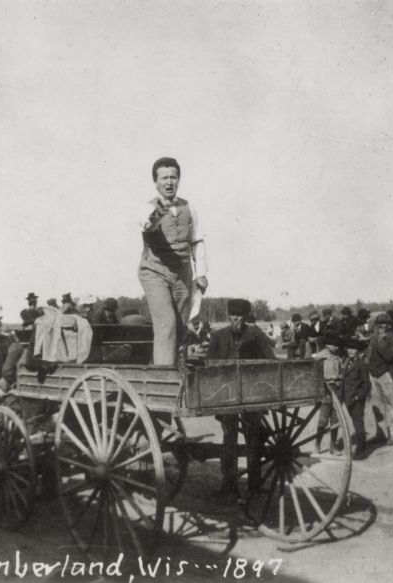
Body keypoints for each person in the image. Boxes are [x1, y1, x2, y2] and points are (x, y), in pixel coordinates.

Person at [138, 157, 208, 365]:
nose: (169, 182)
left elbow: (197, 239)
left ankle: (174, 371)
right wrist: (157, 214)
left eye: (173, 177)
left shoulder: (189, 207)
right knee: (166, 325)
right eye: (164, 178)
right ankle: (164, 380)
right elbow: (146, 227)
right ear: (156, 182)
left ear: (179, 180)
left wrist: (202, 272)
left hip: (183, 274)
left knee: (179, 327)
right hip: (155, 272)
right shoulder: (147, 208)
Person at [207, 299, 276, 499]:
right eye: (233, 316)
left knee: (253, 439)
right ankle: (229, 485)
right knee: (229, 440)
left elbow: (270, 361)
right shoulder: (219, 336)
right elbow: (209, 365)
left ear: (245, 317)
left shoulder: (256, 335)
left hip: (251, 398)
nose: (235, 320)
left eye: (239, 317)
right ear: (229, 316)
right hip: (227, 398)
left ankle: (254, 483)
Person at [366, 312, 393, 445]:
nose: (383, 326)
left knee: (391, 404)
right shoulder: (374, 337)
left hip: (387, 374)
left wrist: (381, 340)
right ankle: (381, 433)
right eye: (380, 324)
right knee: (378, 405)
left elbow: (389, 357)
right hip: (374, 373)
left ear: (390, 325)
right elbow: (368, 354)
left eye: (386, 324)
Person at [312, 334, 344, 454]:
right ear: (327, 345)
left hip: (336, 391)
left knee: (335, 420)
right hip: (325, 391)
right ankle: (317, 444)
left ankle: (333, 445)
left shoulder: (338, 358)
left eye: (337, 345)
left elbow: (341, 374)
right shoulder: (320, 357)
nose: (335, 347)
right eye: (333, 344)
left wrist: (339, 379)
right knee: (323, 420)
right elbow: (314, 374)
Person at [341, 338, 371, 460]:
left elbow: (366, 384)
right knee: (355, 423)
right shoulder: (347, 362)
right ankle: (361, 448)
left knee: (358, 424)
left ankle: (361, 451)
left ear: (358, 351)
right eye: (349, 348)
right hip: (348, 399)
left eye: (353, 349)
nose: (350, 351)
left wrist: (359, 396)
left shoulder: (361, 364)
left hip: (357, 400)